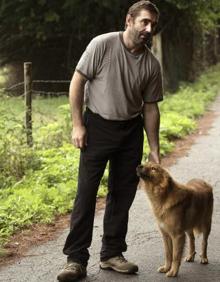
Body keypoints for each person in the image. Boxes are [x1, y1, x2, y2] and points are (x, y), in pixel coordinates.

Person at [57, 1, 163, 281]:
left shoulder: (152, 64)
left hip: (130, 132)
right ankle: (75, 260)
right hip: (97, 127)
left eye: (152, 24)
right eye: (144, 22)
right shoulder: (102, 45)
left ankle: (112, 254)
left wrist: (154, 149)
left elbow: (151, 108)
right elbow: (77, 82)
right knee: (87, 192)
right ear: (129, 20)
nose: (149, 29)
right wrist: (78, 124)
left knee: (122, 195)